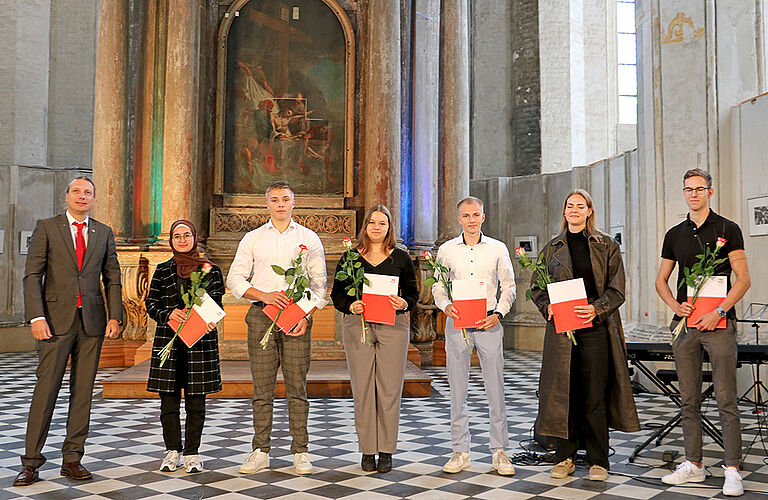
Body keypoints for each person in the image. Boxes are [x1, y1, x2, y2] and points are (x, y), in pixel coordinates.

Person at [15, 176, 122, 486]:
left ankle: (72, 459)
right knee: (46, 391)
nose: (82, 197)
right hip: (54, 322)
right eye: (76, 191)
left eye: (88, 192)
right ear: (66, 196)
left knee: (83, 393)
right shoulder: (47, 227)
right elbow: (33, 275)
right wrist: (36, 316)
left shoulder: (103, 232)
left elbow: (112, 277)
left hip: (91, 323)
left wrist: (115, 316)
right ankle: (31, 462)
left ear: (94, 199)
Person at [531, 189, 640, 481]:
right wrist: (547, 307)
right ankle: (564, 456)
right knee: (563, 395)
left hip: (596, 330)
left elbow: (617, 289)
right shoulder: (552, 248)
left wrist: (596, 309)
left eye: (581, 206)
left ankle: (598, 460)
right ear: (564, 212)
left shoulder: (606, 245)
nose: (574, 210)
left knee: (594, 395)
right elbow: (537, 288)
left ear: (589, 211)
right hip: (563, 333)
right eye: (570, 206)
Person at [655, 168, 750, 497]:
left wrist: (719, 311)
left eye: (699, 189)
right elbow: (661, 280)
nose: (693, 194)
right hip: (686, 327)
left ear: (710, 191)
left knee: (726, 399)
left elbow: (743, 279)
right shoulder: (675, 234)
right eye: (688, 189)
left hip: (719, 324)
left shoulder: (728, 228)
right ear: (684, 193)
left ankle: (733, 468)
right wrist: (674, 305)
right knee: (689, 400)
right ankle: (694, 464)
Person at [226, 181, 327, 475]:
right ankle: (260, 450)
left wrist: (304, 316)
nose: (280, 204)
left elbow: (318, 285)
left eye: (285, 199)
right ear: (267, 204)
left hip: (297, 318)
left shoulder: (309, 238)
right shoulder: (253, 239)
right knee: (262, 388)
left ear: (293, 203)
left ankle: (301, 451)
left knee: (298, 387)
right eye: (274, 199)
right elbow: (236, 280)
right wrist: (264, 295)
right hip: (261, 317)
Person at [432, 196, 517, 476]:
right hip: (457, 323)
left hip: (489, 321)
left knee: (495, 388)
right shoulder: (446, 250)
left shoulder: (497, 249)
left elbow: (509, 286)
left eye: (476, 215)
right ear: (459, 219)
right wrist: (446, 306)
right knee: (457, 390)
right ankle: (460, 451)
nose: (471, 219)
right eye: (466, 215)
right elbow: (438, 287)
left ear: (483, 216)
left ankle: (500, 451)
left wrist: (499, 314)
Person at [330, 205, 419, 473]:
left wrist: (403, 302)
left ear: (389, 227)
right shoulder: (350, 258)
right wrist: (351, 305)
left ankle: (387, 451)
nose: (377, 228)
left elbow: (413, 295)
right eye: (372, 223)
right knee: (364, 389)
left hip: (394, 326)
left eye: (382, 223)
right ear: (365, 227)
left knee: (390, 389)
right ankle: (367, 450)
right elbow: (337, 295)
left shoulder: (401, 258)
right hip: (358, 326)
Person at [145, 220, 224, 474]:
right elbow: (151, 304)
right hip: (168, 341)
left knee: (195, 402)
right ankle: (172, 450)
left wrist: (208, 319)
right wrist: (168, 314)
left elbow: (216, 304)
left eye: (186, 235)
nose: (182, 240)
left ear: (195, 237)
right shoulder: (162, 270)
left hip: (199, 342)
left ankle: (192, 452)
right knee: (168, 402)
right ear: (171, 240)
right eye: (177, 236)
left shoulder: (210, 270)